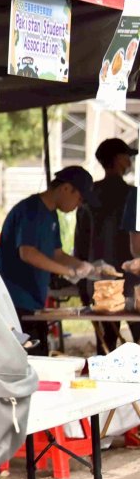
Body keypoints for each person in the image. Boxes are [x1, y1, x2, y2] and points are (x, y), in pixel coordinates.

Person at [0, 166, 96, 356]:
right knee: (26, 359)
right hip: (13, 301)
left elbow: (57, 254)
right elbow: (28, 253)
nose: (79, 205)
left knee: (39, 354)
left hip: (34, 301)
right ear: (66, 188)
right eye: (79, 199)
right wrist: (68, 272)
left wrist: (81, 266)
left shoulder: (52, 215)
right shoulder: (31, 210)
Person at [75, 138, 138, 351]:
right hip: (133, 282)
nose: (130, 160)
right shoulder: (133, 195)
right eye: (127, 155)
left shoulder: (88, 197)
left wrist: (82, 282)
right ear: (118, 159)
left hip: (98, 281)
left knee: (106, 344)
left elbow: (80, 244)